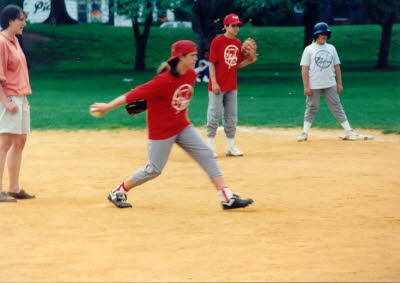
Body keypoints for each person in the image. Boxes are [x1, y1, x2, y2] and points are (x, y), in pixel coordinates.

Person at [90, 40, 254, 210]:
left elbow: (176, 95)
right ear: (181, 57)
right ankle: (118, 191)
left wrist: (243, 60)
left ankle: (227, 198)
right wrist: (107, 107)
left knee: (206, 154)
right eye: (192, 55)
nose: (196, 58)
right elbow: (132, 95)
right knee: (154, 169)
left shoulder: (190, 75)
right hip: (161, 132)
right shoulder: (162, 80)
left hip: (182, 126)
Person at [297, 22, 373, 142]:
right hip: (314, 84)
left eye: (326, 33)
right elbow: (304, 69)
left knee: (336, 106)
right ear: (316, 35)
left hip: (330, 83)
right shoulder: (309, 49)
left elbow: (337, 66)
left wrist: (339, 83)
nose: (324, 35)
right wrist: (306, 86)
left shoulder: (331, 48)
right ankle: (304, 133)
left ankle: (349, 131)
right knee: (312, 107)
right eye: (322, 33)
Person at [206, 13, 256, 158]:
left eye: (237, 25)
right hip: (217, 85)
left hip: (231, 85)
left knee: (231, 116)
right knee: (214, 115)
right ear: (225, 26)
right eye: (233, 25)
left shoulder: (237, 43)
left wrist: (250, 61)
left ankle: (230, 147)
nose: (236, 28)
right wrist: (214, 82)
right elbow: (212, 63)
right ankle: (210, 146)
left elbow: (235, 65)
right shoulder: (217, 41)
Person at [0, 5, 35, 203]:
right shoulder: (1, 42)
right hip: (10, 98)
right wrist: (5, 101)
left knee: (20, 142)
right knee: (4, 144)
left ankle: (14, 188)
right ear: (10, 20)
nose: (24, 23)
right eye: (21, 19)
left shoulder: (14, 41)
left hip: (22, 97)